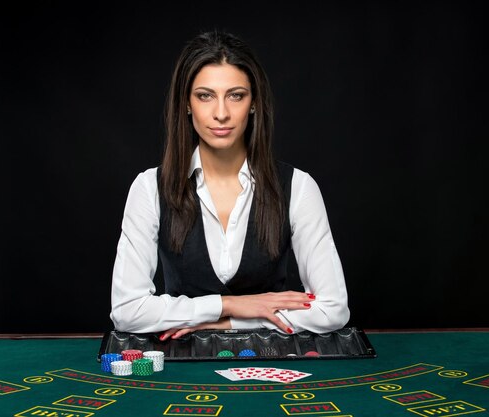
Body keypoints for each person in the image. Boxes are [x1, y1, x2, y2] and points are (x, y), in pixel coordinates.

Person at [110, 29, 349, 340]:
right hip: (182, 372)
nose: (220, 113)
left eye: (236, 95)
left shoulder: (299, 187)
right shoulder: (148, 188)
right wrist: (230, 304)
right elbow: (127, 311)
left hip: (270, 366)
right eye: (205, 95)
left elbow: (333, 310)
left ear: (253, 103)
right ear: (186, 103)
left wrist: (223, 322)